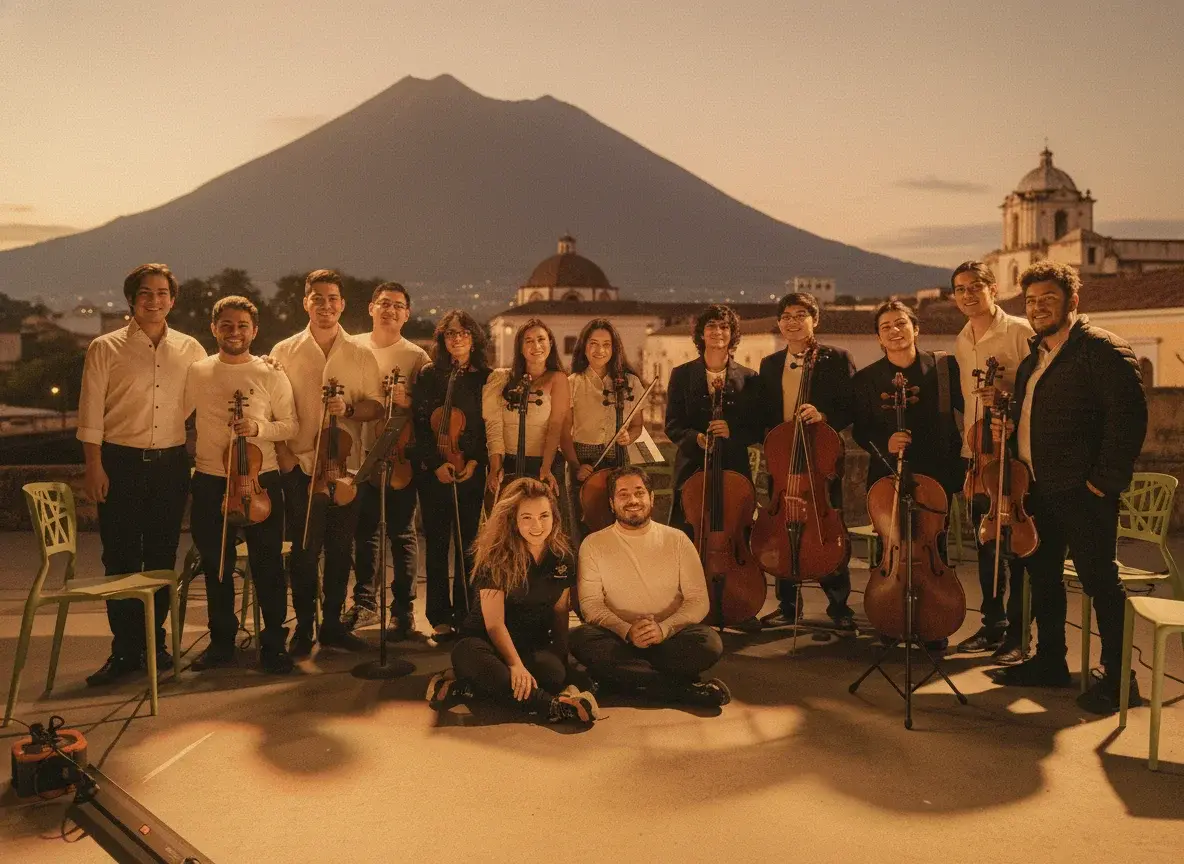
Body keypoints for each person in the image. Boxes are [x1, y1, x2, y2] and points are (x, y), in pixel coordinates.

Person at [989, 261, 1148, 716]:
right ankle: (1050, 662)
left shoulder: (1102, 349)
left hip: (1084, 491)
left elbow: (1129, 418)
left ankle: (1120, 680)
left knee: (1100, 581)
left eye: (1049, 300)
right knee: (1043, 577)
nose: (1038, 309)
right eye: (1032, 302)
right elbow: (1030, 415)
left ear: (1073, 302)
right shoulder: (1034, 358)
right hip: (1038, 488)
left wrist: (1103, 482)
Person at [76, 263, 207, 686]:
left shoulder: (190, 349)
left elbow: (200, 400)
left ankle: (157, 645)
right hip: (119, 463)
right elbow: (91, 412)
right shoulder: (105, 347)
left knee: (161, 557)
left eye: (162, 293)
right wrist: (94, 465)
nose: (155, 300)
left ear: (173, 298)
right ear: (132, 300)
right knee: (120, 557)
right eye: (146, 293)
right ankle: (125, 650)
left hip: (170, 465)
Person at [270, 269, 384, 658]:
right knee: (303, 552)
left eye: (332, 298)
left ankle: (332, 625)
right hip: (300, 466)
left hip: (344, 470)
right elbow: (272, 409)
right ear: (306, 302)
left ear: (343, 304)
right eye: (317, 298)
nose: (326, 305)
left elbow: (374, 405)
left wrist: (349, 407)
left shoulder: (360, 353)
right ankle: (304, 626)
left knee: (340, 551)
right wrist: (285, 459)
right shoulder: (283, 351)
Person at [183, 296, 298, 674]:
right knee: (217, 566)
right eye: (227, 325)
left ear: (255, 331)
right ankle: (221, 642)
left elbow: (290, 425)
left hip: (259, 483)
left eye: (243, 326)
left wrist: (258, 428)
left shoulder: (270, 372)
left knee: (268, 566)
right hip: (210, 480)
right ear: (214, 328)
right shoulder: (197, 371)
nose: (235, 332)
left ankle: (274, 644)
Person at [427, 478, 599, 725]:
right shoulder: (495, 558)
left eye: (544, 516)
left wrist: (562, 660)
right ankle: (551, 707)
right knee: (482, 662)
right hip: (483, 643)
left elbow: (560, 612)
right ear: (514, 521)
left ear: (555, 517)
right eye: (527, 517)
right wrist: (515, 665)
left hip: (529, 644)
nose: (537, 525)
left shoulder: (563, 556)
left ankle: (466, 687)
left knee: (553, 674)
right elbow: (494, 625)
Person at [851, 300, 965, 649]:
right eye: (886, 327)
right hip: (888, 472)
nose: (894, 331)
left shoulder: (944, 368)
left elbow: (965, 410)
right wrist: (885, 441)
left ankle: (935, 625)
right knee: (890, 543)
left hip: (936, 471)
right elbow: (860, 429)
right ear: (879, 338)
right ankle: (888, 617)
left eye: (901, 323)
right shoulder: (867, 378)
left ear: (916, 329)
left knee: (934, 546)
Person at [570, 466, 731, 708]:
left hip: (669, 639)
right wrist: (627, 630)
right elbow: (590, 605)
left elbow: (698, 600)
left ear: (651, 498)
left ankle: (619, 680)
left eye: (639, 492)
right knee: (581, 638)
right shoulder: (594, 544)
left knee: (709, 643)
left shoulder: (677, 540)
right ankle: (679, 689)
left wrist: (663, 629)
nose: (633, 500)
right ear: (612, 503)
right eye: (623, 494)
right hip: (619, 639)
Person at [756, 292, 857, 631]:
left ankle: (839, 606)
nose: (792, 321)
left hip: (820, 458)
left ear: (815, 319)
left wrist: (824, 415)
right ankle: (787, 606)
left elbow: (851, 406)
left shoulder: (837, 359)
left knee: (828, 528)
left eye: (800, 314)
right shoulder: (770, 365)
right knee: (783, 527)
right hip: (784, 460)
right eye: (786, 315)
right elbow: (766, 414)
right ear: (779, 322)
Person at [950, 261, 1035, 661]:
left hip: (1014, 457)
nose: (968, 295)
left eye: (975, 287)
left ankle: (1019, 636)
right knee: (986, 545)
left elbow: (1039, 389)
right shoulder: (962, 339)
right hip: (979, 456)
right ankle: (992, 625)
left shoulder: (1020, 331)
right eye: (960, 289)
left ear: (993, 289)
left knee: (1018, 547)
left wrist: (1006, 401)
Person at [343, 282, 430, 640]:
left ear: (406, 314)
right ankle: (364, 602)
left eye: (398, 305)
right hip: (357, 453)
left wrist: (407, 400)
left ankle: (404, 609)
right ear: (371, 308)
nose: (390, 310)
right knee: (364, 534)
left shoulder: (416, 357)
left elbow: (427, 412)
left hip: (399, 457)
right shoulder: (352, 347)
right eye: (384, 304)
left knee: (402, 534)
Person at [412, 310, 491, 641]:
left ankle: (467, 612)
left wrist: (474, 462)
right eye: (450, 334)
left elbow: (489, 427)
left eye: (463, 333)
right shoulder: (431, 375)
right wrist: (434, 464)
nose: (457, 339)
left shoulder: (485, 378)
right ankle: (439, 616)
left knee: (468, 544)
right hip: (435, 473)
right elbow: (420, 425)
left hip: (470, 469)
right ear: (442, 340)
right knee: (438, 543)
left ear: (473, 338)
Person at [663, 304, 763, 539]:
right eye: (711, 326)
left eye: (724, 326)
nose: (718, 331)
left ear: (732, 334)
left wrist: (732, 432)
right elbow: (672, 424)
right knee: (687, 532)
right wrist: (695, 438)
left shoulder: (749, 378)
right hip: (692, 467)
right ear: (701, 333)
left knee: (736, 532)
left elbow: (757, 428)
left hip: (733, 467)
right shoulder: (682, 374)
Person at [561, 318, 646, 544]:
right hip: (583, 460)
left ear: (614, 348)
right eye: (593, 344)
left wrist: (630, 437)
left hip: (618, 458)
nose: (600, 350)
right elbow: (564, 433)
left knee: (621, 527)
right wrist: (577, 466)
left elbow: (637, 426)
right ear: (584, 347)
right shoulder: (572, 383)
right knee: (583, 528)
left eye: (606, 344)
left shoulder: (629, 382)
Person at [483, 318, 570, 497]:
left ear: (550, 343)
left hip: (546, 463)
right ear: (520, 348)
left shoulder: (559, 379)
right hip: (508, 463)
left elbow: (556, 426)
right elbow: (494, 426)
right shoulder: (500, 379)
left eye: (541, 339)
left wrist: (546, 468)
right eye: (528, 341)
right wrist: (495, 467)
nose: (536, 346)